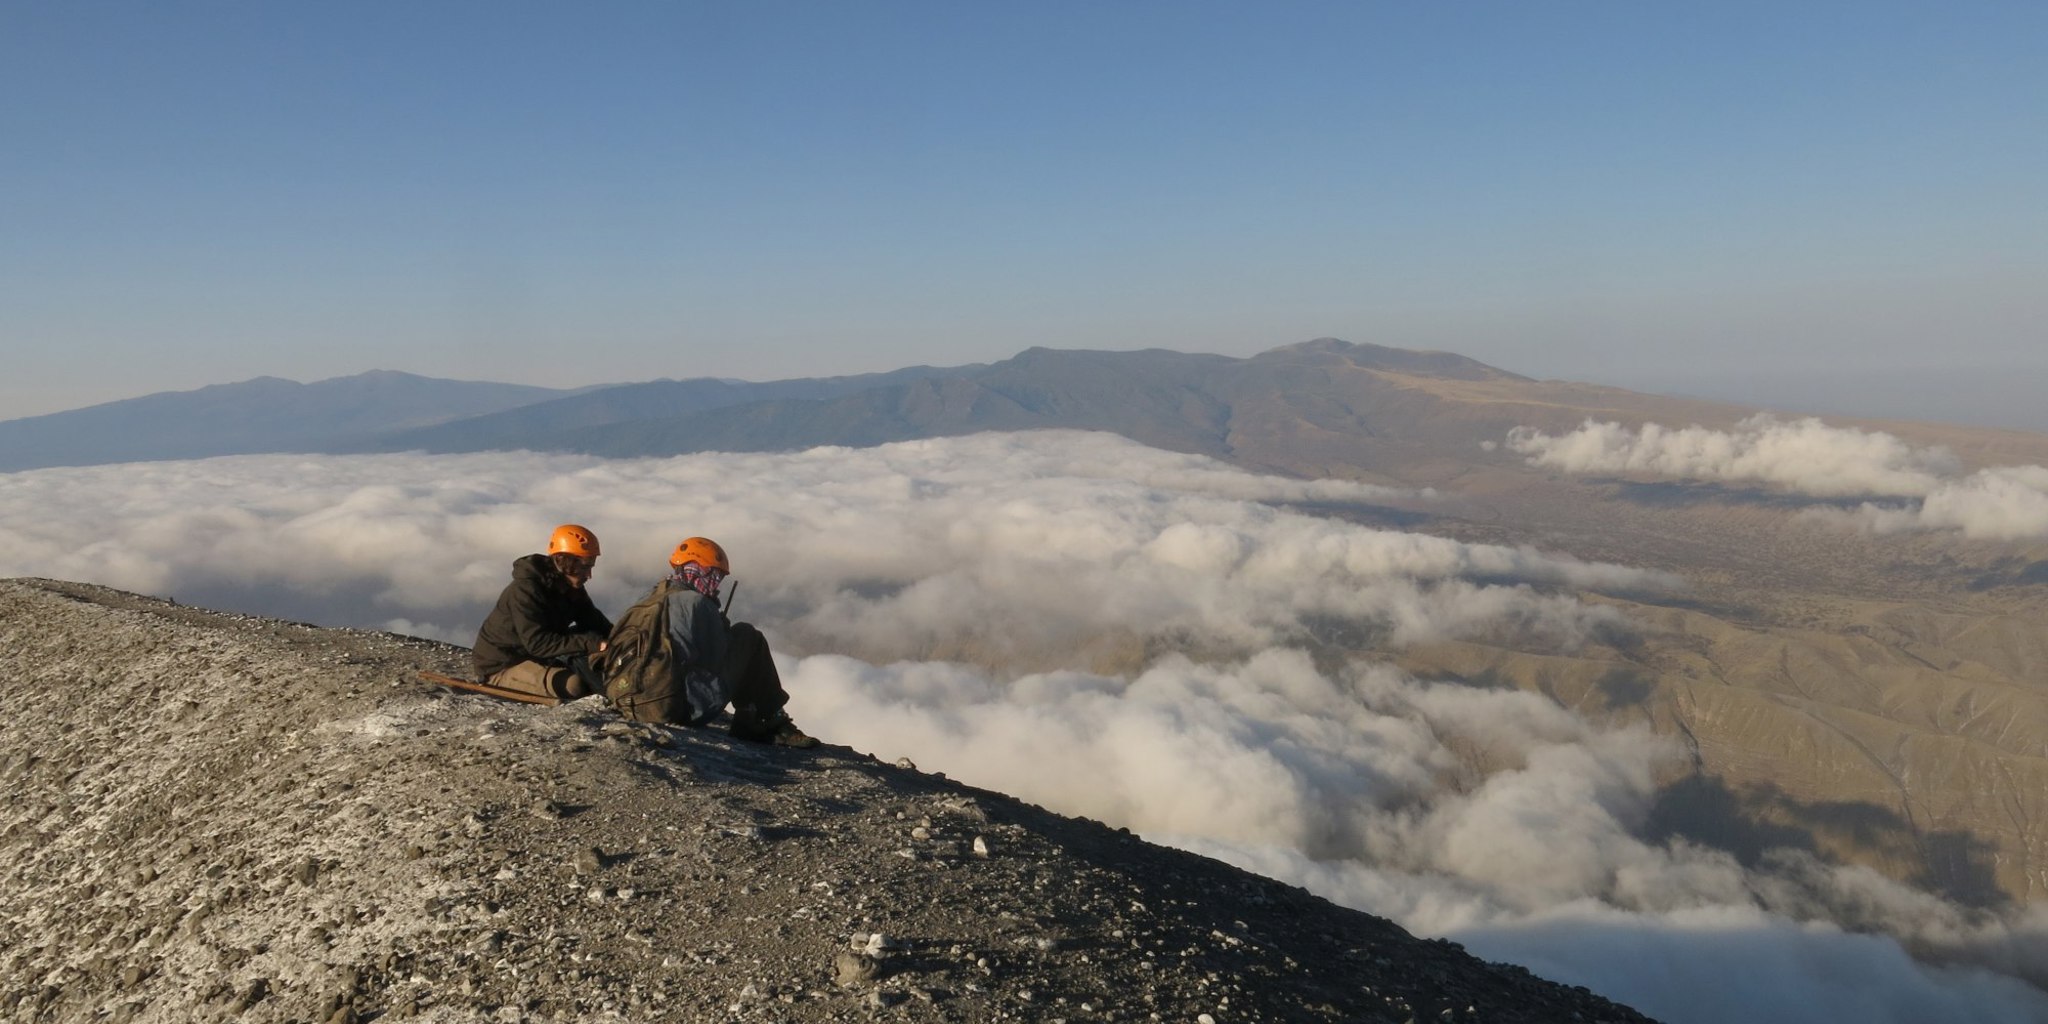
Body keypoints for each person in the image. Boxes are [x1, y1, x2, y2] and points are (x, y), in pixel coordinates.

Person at [604, 536, 819, 748]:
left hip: (631, 703)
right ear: (704, 570)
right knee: (748, 636)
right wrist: (721, 626)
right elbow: (715, 660)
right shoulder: (697, 603)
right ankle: (769, 720)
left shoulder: (649, 598)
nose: (716, 584)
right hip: (678, 708)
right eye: (715, 575)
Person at [472, 523, 614, 700]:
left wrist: (621, 637)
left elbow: (593, 621)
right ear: (566, 561)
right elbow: (538, 643)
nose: (589, 575)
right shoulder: (525, 590)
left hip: (536, 655)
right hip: (503, 665)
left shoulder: (571, 586)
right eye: (585, 567)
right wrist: (593, 644)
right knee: (575, 685)